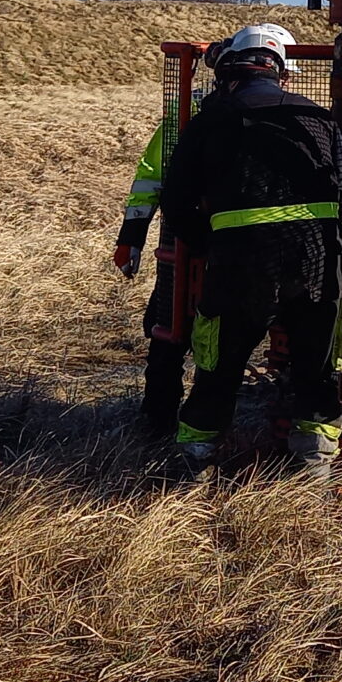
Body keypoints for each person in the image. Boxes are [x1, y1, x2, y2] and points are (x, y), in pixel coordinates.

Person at [157, 24, 342, 480]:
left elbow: (176, 200)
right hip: (317, 264)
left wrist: (206, 243)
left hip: (239, 266)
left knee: (218, 366)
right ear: (281, 73)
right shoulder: (321, 120)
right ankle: (313, 465)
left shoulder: (208, 122)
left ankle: (195, 462)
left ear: (228, 71)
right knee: (316, 367)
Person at [112, 39, 224, 435]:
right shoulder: (190, 113)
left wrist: (133, 236)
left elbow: (148, 181)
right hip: (216, 243)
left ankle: (163, 420)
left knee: (172, 324)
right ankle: (166, 419)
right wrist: (132, 236)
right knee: (174, 324)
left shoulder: (186, 112)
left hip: (188, 238)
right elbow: (150, 179)